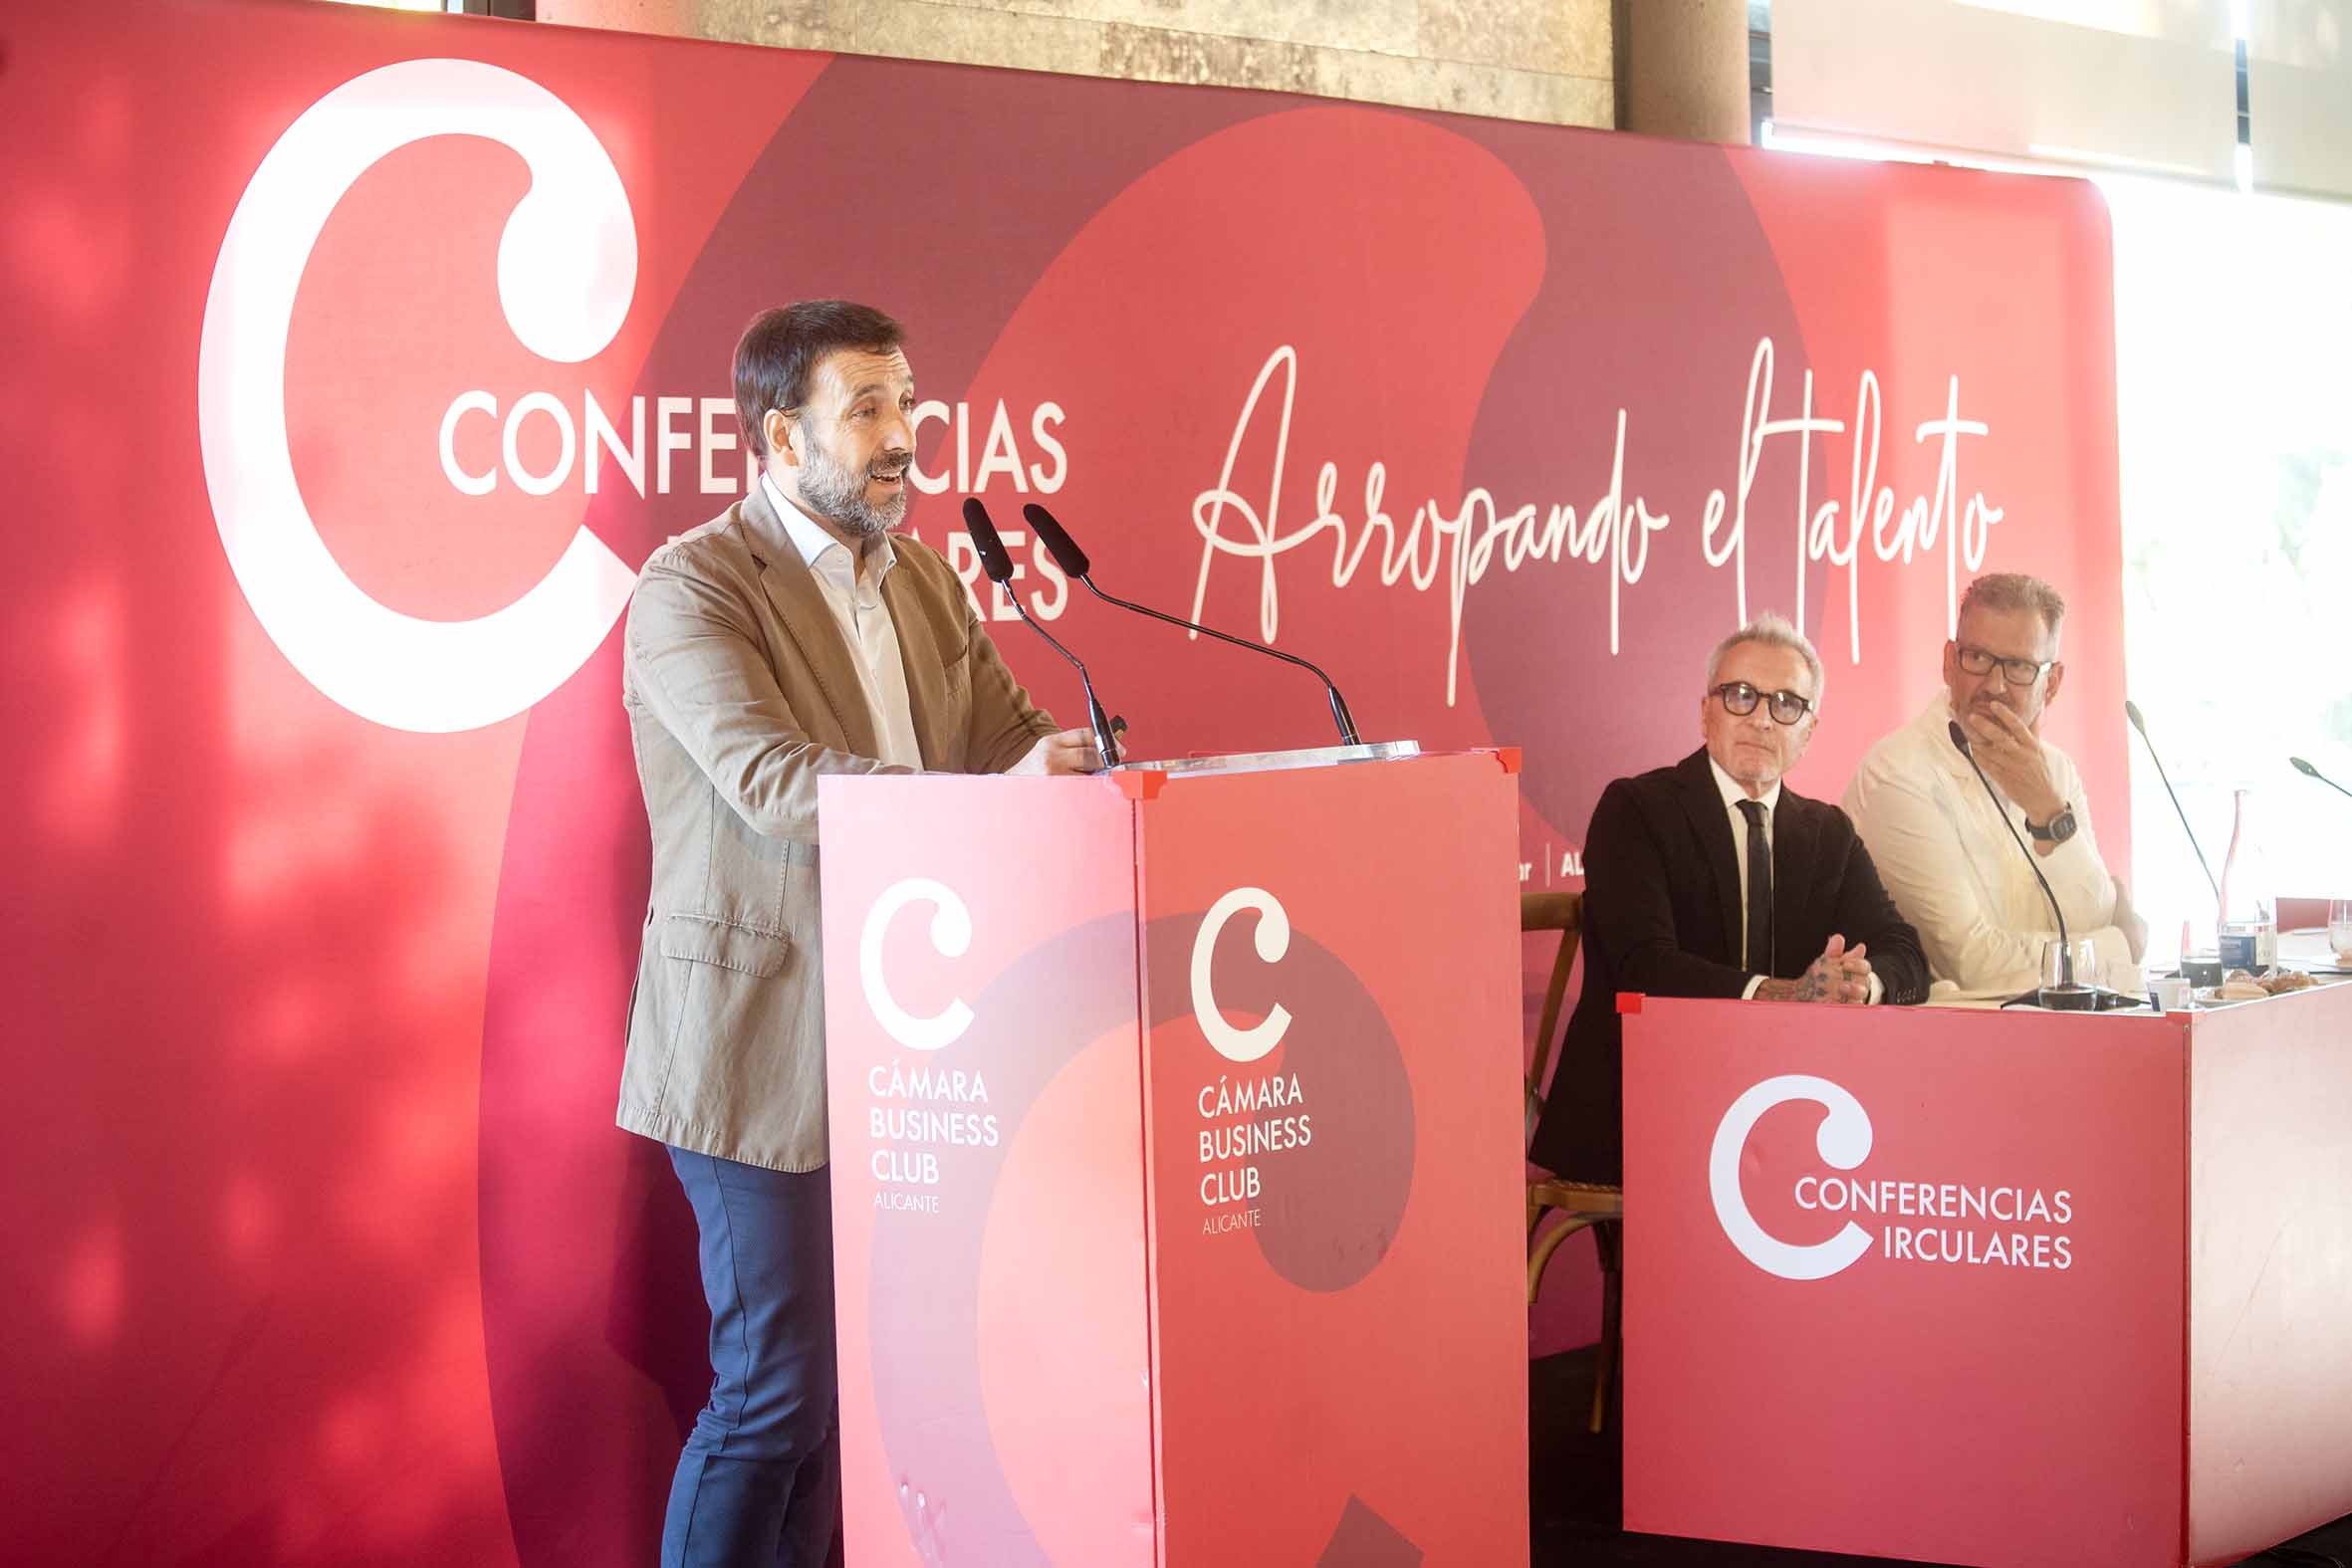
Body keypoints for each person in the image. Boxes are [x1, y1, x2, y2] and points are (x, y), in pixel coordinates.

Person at [615, 301, 1099, 1568]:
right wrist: (993, 798)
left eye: (909, 406)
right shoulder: (693, 584)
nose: (902, 438)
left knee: (857, 1407)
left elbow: (1003, 735)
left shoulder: (923, 577)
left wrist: (1076, 765)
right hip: (758, 1050)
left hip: (915, 1044)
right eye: (868, 409)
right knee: (772, 1400)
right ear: (783, 437)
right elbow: (772, 780)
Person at [1529, 614, 1929, 1186]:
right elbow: (1643, 965)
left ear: (1809, 730)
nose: (1762, 719)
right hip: (1644, 1106)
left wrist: (1859, 985)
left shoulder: (1829, 833)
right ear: (1706, 711)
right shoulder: (1637, 809)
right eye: (1741, 696)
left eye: (1787, 704)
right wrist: (1783, 994)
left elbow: (1905, 953)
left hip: (1786, 1115)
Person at [1842, 571, 2148, 1005]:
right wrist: (2119, 947)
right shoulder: (1898, 774)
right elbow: (1971, 963)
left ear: (2052, 683)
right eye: (1978, 658)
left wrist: (2048, 813)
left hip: (2064, 1028)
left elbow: (2093, 915)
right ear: (1949, 662)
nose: (1994, 685)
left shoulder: (2056, 772)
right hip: (1951, 1039)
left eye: (2019, 667)